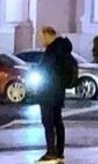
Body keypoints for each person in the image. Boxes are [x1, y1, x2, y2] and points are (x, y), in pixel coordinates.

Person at [36, 26, 75, 163]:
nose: (41, 40)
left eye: (42, 37)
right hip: (58, 92)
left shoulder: (52, 52)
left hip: (48, 92)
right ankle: (59, 151)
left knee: (48, 122)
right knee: (58, 122)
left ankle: (51, 152)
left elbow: (45, 70)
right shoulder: (63, 49)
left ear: (48, 36)